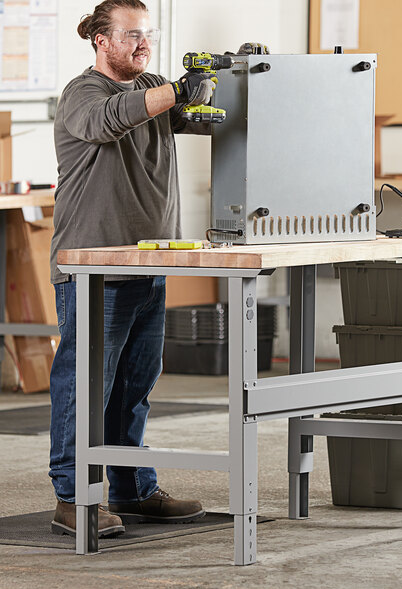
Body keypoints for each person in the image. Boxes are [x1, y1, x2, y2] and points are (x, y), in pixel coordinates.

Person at [49, 0, 263, 537]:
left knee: (135, 386)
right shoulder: (84, 93)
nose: (143, 43)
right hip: (96, 267)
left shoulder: (159, 86)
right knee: (86, 385)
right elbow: (110, 121)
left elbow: (208, 118)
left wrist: (241, 77)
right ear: (101, 40)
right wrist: (176, 91)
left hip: (151, 262)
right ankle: (74, 498)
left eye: (149, 34)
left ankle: (131, 490)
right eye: (131, 35)